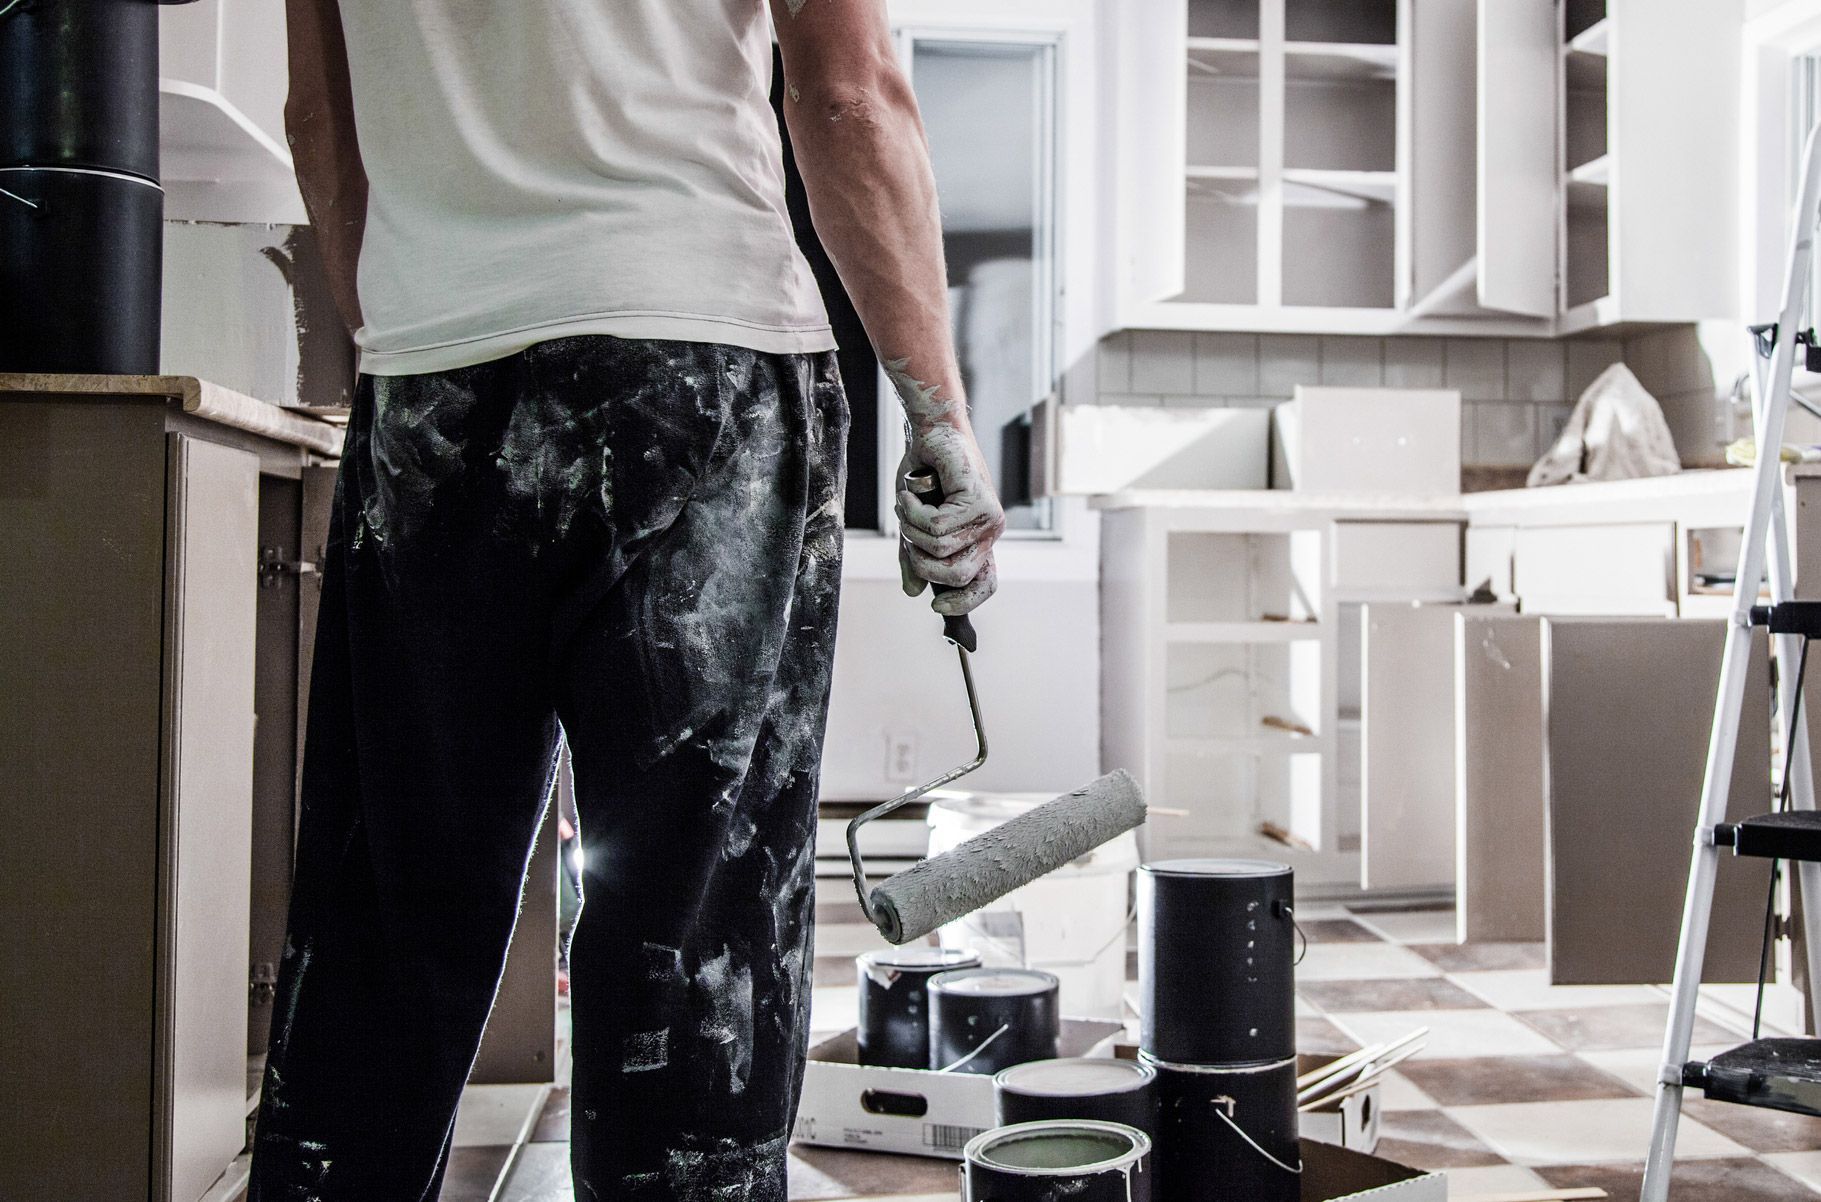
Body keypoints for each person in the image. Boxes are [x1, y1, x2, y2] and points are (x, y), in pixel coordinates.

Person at [254, 0, 1005, 1197]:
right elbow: (846, 93)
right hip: (701, 360)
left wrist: (419, 341)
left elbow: (319, 115)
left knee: (385, 938)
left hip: (434, 381)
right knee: (692, 945)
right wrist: (940, 411)